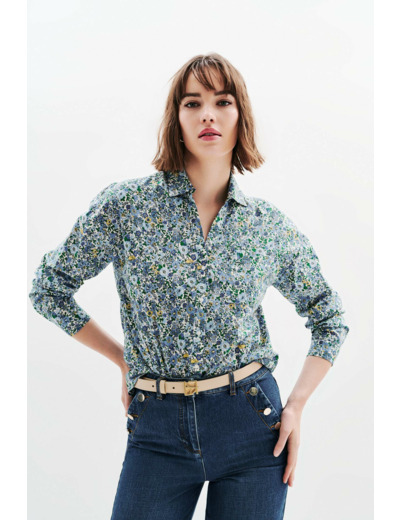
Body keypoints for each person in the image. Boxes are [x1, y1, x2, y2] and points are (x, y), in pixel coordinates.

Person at [29, 53, 349, 520]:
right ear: (175, 119)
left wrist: (296, 405)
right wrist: (124, 358)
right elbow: (48, 289)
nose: (207, 115)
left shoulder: (267, 226)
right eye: (192, 103)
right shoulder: (127, 207)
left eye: (223, 102)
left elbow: (330, 317)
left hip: (252, 425)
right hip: (156, 429)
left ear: (241, 116)